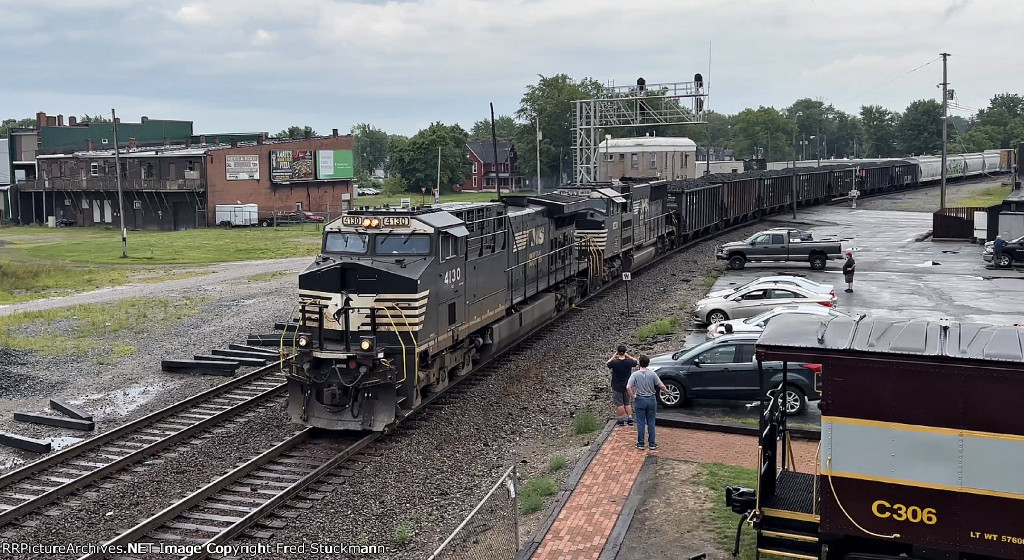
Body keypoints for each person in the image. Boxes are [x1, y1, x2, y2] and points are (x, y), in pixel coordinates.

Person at [626, 355, 668, 451]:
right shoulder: (652, 374)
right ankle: (652, 444)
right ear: (648, 363)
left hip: (640, 399)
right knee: (651, 422)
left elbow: (628, 387)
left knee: (641, 423)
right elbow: (660, 385)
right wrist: (666, 391)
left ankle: (641, 444)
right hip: (651, 399)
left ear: (639, 363)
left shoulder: (635, 375)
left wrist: (633, 396)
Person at [607, 345, 637, 426]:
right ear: (625, 352)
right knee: (627, 403)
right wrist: (628, 356)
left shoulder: (614, 362)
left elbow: (608, 363)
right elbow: (636, 361)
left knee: (620, 404)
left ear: (618, 352)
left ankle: (621, 419)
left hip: (617, 385)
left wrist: (614, 356)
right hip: (627, 385)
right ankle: (630, 418)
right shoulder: (629, 362)